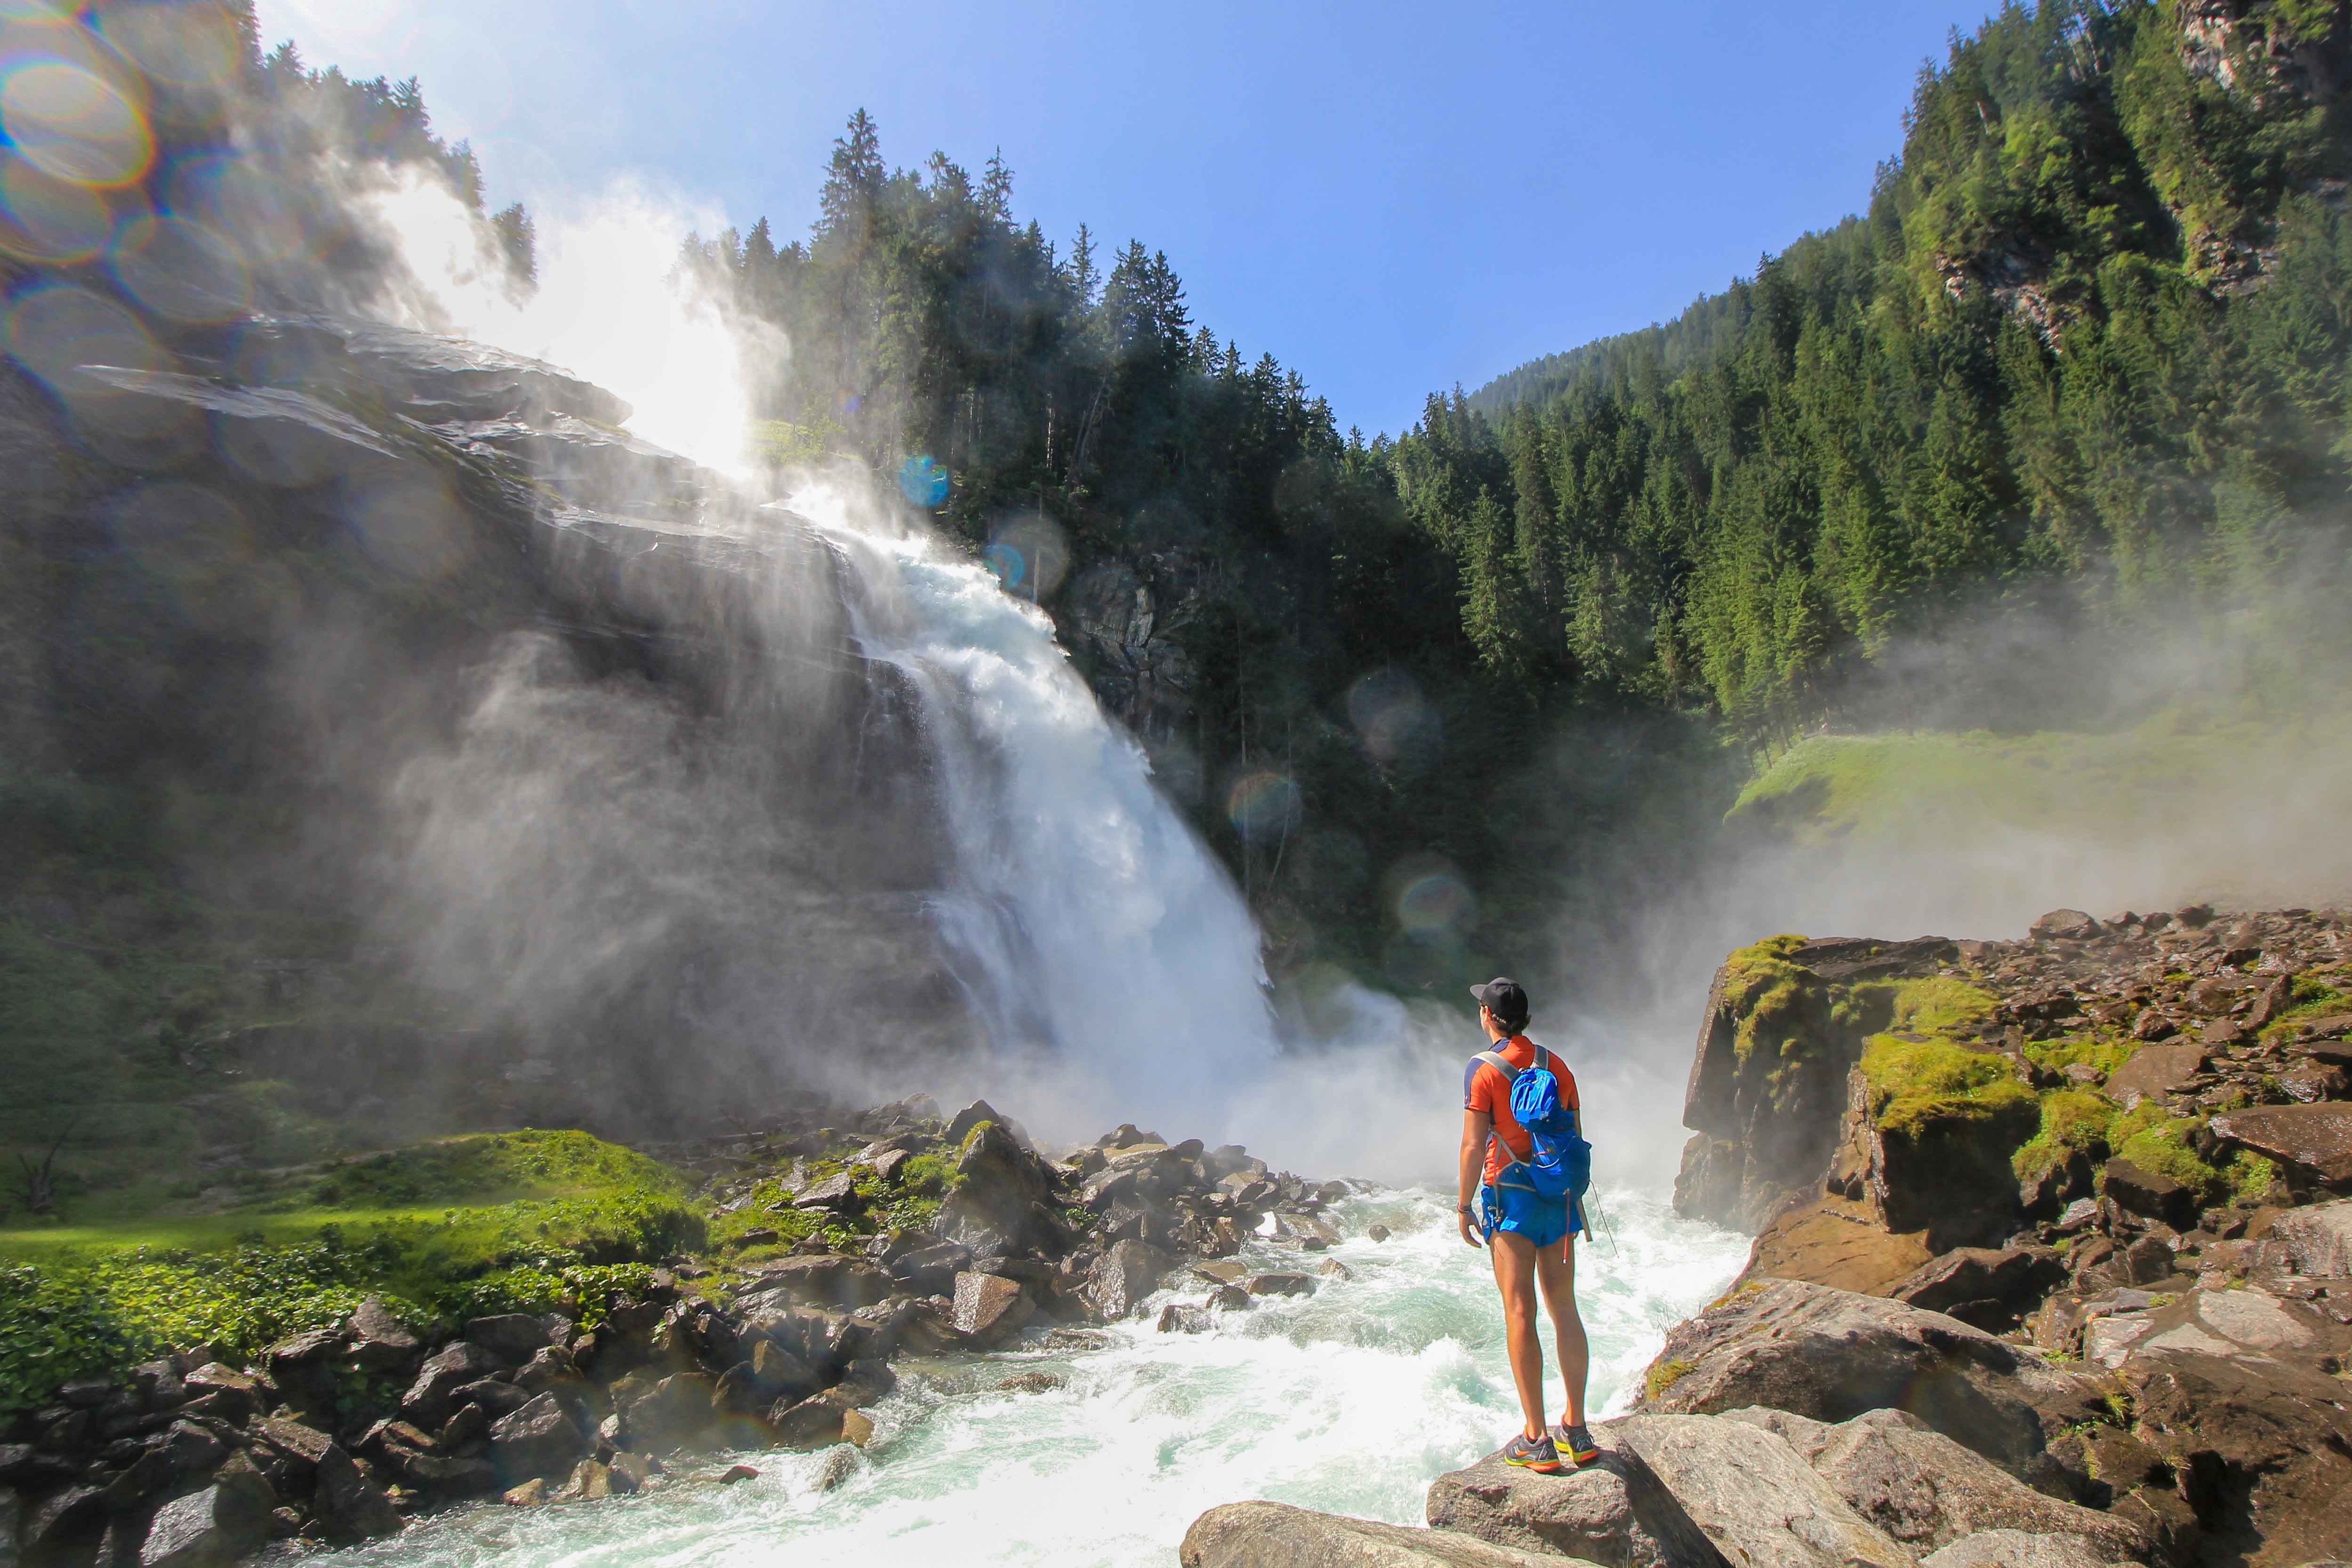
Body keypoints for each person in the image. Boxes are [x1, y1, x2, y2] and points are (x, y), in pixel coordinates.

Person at [1456, 976, 1595, 1472]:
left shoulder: (1483, 1069)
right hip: (1555, 1200)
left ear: (1489, 1017)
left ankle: (1535, 1437)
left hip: (1509, 1198)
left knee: (1520, 1310)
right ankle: (1576, 1430)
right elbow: (1574, 1136)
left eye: (1481, 1008)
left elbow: (1474, 1145)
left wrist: (1461, 1206)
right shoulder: (1555, 1065)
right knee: (1564, 1308)